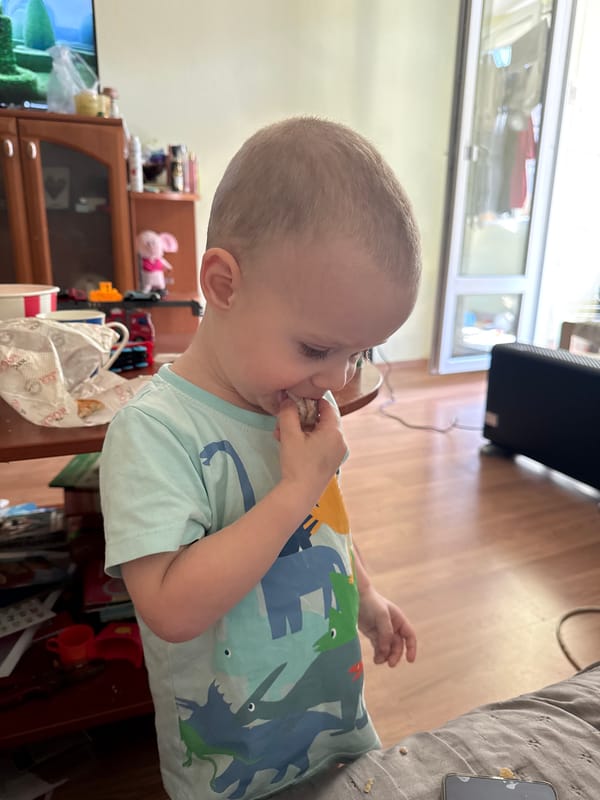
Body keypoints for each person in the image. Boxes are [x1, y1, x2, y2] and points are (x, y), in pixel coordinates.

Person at [100, 116, 421, 800]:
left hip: (334, 729)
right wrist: (294, 489)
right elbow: (170, 610)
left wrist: (365, 592)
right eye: (317, 349)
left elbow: (326, 520)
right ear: (223, 284)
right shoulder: (153, 432)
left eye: (358, 354)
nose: (336, 379)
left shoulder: (297, 405)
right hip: (232, 767)